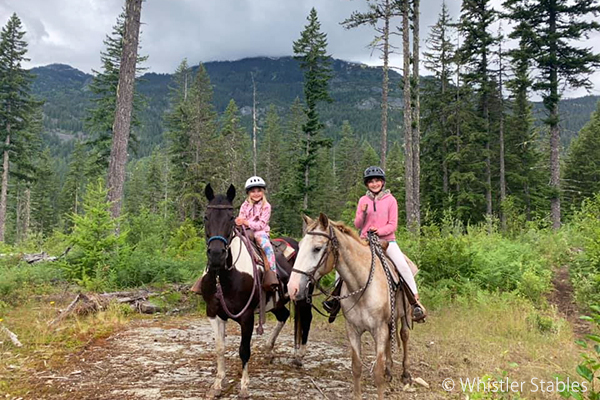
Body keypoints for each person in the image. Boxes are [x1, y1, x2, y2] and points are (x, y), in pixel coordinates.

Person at [323, 166, 426, 322]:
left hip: (387, 241)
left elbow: (393, 225)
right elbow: (357, 224)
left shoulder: (391, 200)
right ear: (367, 184)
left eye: (377, 181)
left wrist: (379, 230)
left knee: (403, 266)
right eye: (371, 181)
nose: (374, 184)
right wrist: (363, 212)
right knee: (342, 266)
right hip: (364, 242)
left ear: (382, 182)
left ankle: (415, 303)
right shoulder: (363, 200)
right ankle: (336, 299)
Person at [236, 176, 279, 291]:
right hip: (245, 232)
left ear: (263, 192)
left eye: (259, 191)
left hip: (260, 232)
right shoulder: (244, 205)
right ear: (248, 193)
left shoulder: (266, 206)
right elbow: (241, 217)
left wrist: (245, 222)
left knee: (267, 248)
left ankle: (272, 274)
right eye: (253, 191)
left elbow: (261, 224)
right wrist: (239, 222)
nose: (256, 194)